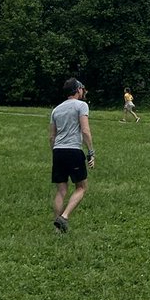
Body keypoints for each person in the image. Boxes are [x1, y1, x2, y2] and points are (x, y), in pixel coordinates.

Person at [50, 78, 95, 233]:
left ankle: (57, 229)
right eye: (81, 89)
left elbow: (52, 136)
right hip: (73, 150)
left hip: (57, 151)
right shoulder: (82, 105)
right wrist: (91, 151)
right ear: (77, 90)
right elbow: (85, 130)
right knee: (81, 187)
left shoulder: (56, 109)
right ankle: (64, 217)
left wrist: (55, 153)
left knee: (61, 190)